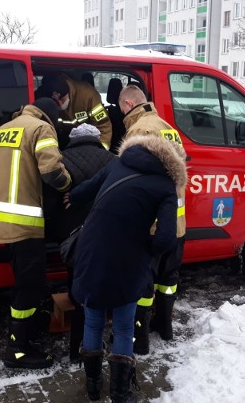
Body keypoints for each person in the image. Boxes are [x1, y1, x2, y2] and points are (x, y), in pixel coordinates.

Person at [68, 133, 187, 403]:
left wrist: (71, 198)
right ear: (175, 166)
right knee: (123, 327)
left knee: (93, 320)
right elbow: (167, 238)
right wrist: (145, 247)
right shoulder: (166, 187)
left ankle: (93, 387)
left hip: (91, 251)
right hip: (127, 260)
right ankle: (121, 394)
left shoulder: (118, 164)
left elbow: (83, 191)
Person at [0, 97, 72, 370]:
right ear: (50, 116)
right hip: (26, 223)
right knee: (29, 287)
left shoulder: (3, 130)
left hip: (4, 221)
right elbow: (51, 172)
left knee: (26, 281)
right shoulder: (40, 129)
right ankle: (17, 349)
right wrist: (70, 185)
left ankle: (29, 329)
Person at [118, 85, 186, 355]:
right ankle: (164, 327)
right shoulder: (168, 127)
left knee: (144, 281)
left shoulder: (139, 130)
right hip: (177, 222)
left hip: (153, 224)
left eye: (121, 106)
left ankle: (140, 338)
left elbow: (135, 180)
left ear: (128, 102)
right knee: (168, 278)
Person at [42, 123, 116, 362]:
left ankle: (78, 350)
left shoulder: (62, 161)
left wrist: (55, 231)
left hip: (72, 236)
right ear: (96, 139)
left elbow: (52, 204)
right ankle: (103, 337)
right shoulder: (113, 160)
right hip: (104, 233)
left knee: (77, 279)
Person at [39, 73, 112, 151]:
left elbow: (103, 125)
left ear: (68, 92)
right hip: (60, 138)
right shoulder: (42, 101)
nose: (60, 104)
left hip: (87, 139)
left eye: (62, 99)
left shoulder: (87, 95)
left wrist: (101, 151)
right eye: (56, 101)